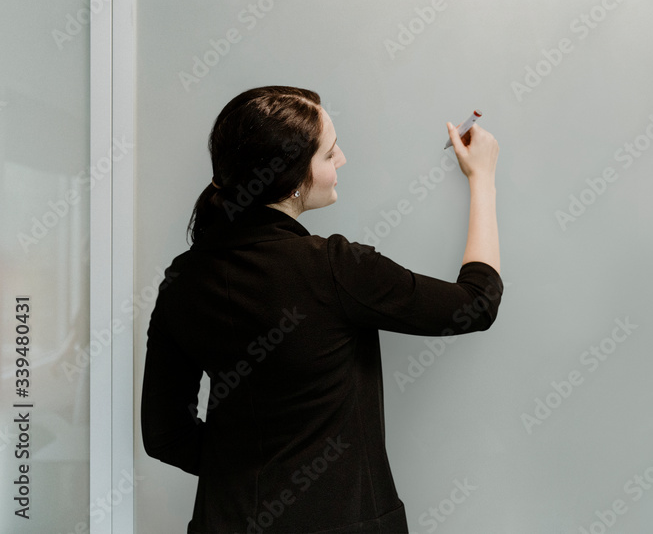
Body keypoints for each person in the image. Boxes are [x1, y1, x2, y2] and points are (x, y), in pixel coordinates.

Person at [140, 86, 503, 533]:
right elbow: (477, 303)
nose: (343, 159)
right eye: (330, 154)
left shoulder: (183, 278)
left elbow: (165, 435)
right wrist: (482, 178)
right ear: (292, 178)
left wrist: (256, 472)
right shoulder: (335, 268)